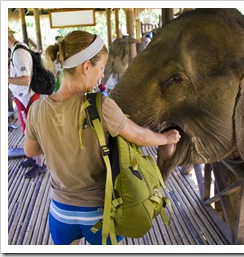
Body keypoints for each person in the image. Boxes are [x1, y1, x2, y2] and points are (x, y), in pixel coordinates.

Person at [24, 30, 181, 245]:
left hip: (60, 212)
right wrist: (166, 139)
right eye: (100, 69)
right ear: (86, 66)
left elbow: (30, 151)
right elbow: (140, 136)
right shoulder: (100, 105)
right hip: (99, 213)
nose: (101, 75)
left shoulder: (37, 109)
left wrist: (55, 139)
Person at [8, 26, 46, 179]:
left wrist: (7, 79)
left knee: (33, 132)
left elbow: (25, 80)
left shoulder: (19, 53)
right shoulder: (16, 50)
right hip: (22, 97)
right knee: (27, 131)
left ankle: (40, 164)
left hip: (27, 97)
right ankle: (33, 157)